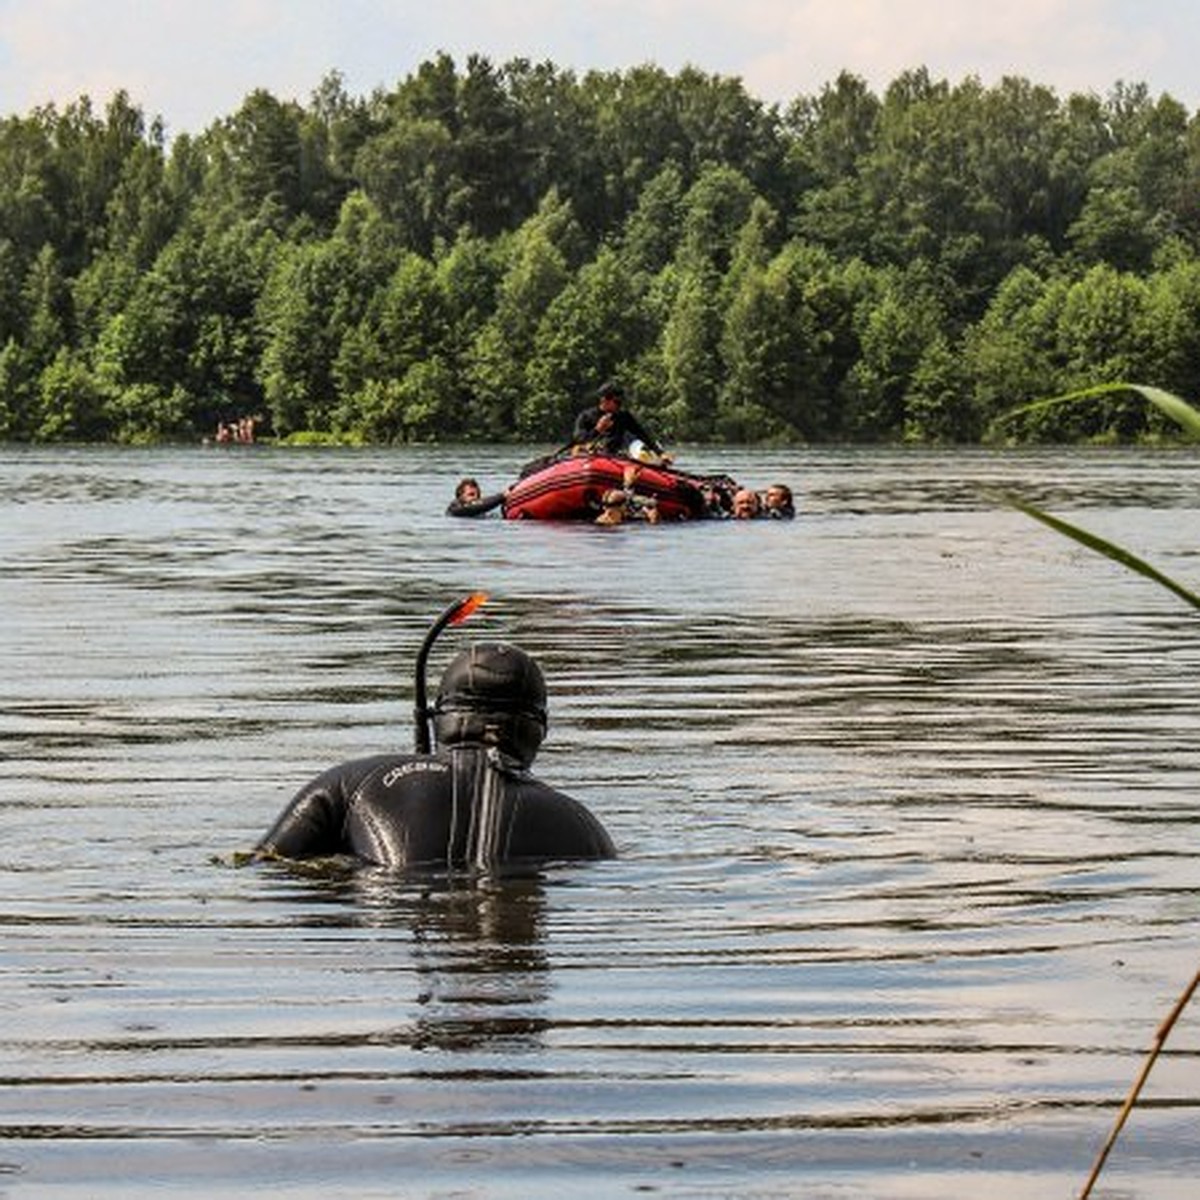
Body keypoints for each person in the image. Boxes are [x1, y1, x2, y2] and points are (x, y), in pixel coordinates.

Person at [254, 642, 615, 869]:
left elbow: (263, 867)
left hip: (389, 931)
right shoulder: (582, 828)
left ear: (437, 717)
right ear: (539, 729)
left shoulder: (351, 784)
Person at [572, 382, 668, 461]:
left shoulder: (623, 417)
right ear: (604, 400)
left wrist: (660, 453)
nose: (620, 406)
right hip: (589, 458)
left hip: (612, 459)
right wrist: (598, 429)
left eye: (621, 402)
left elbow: (642, 435)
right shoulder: (586, 417)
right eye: (617, 402)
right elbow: (578, 439)